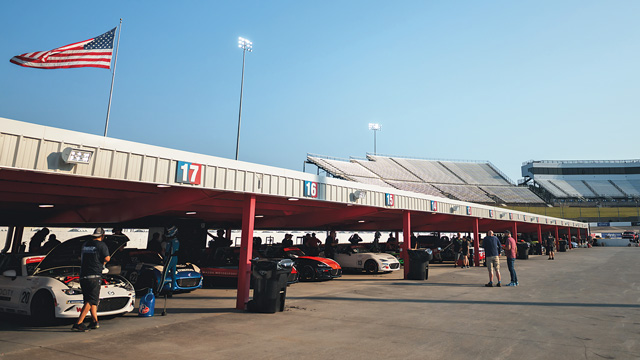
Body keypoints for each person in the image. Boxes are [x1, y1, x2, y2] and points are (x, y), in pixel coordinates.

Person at [72, 227, 110, 332]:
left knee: (91, 299)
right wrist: (104, 263)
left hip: (83, 275)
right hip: (94, 276)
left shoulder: (85, 244)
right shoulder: (102, 245)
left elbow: (81, 257)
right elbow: (107, 258)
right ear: (102, 236)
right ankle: (78, 323)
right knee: (91, 300)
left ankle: (95, 321)